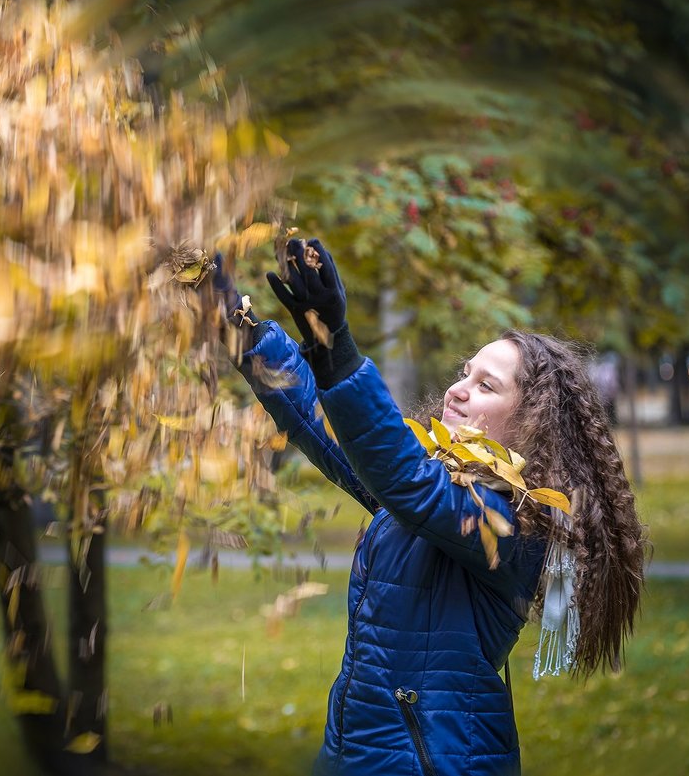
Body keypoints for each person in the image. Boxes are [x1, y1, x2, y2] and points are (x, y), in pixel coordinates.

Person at [211, 239, 647, 776]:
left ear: (535, 425)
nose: (457, 391)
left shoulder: (517, 523)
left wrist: (336, 347)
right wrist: (241, 323)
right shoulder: (432, 482)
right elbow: (329, 429)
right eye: (464, 374)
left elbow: (401, 473)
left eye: (485, 385)